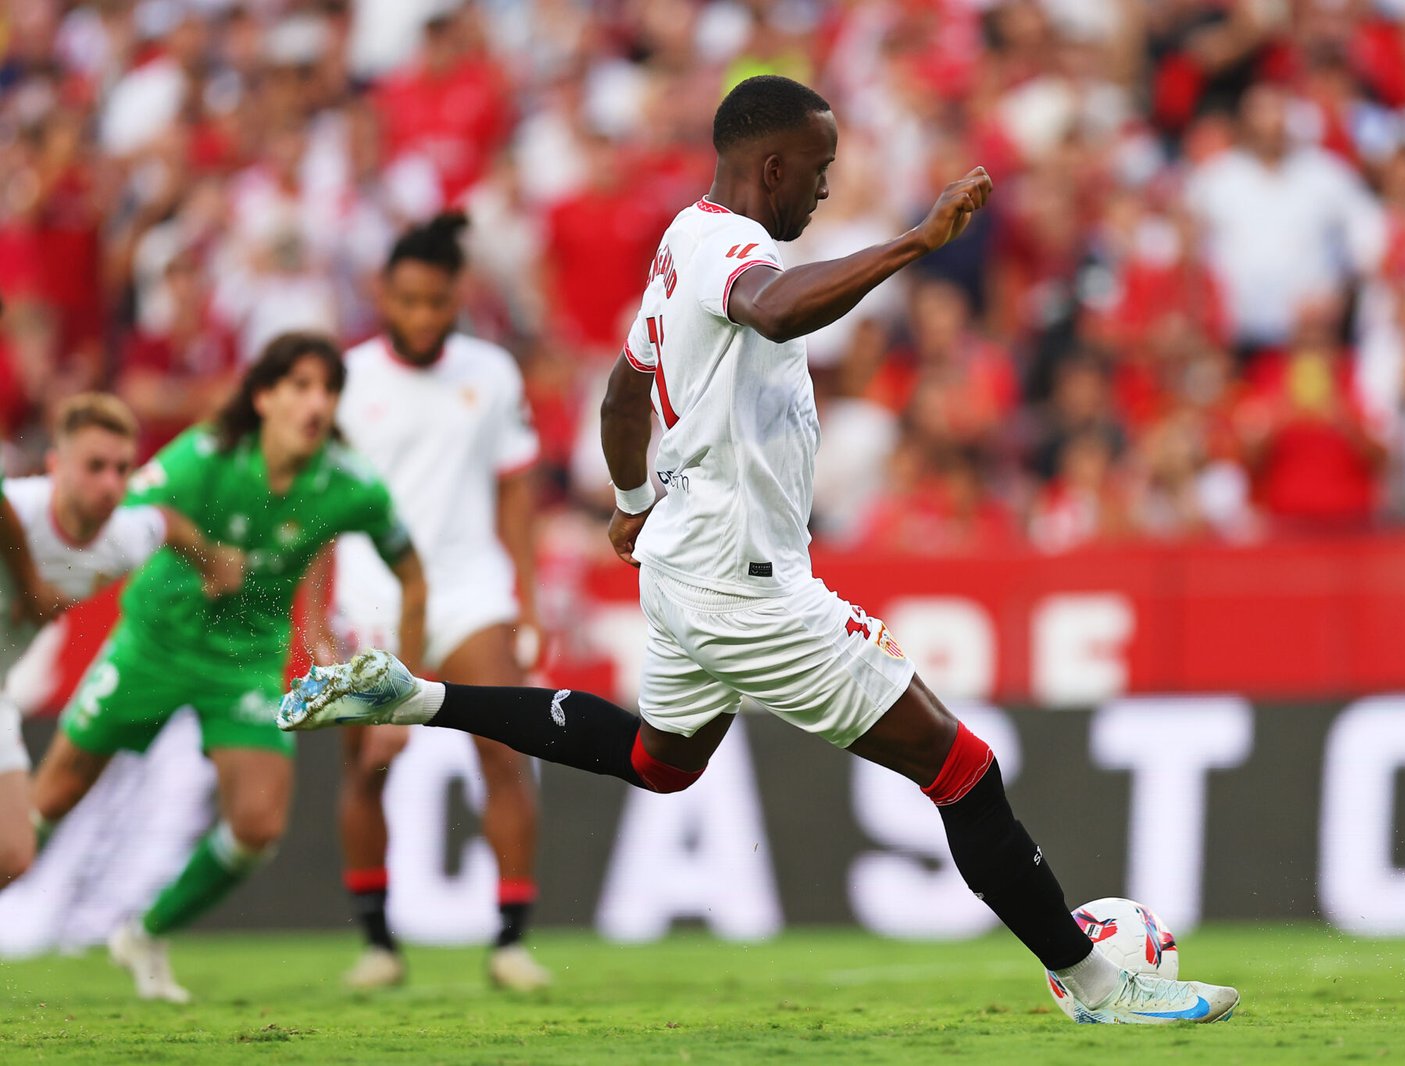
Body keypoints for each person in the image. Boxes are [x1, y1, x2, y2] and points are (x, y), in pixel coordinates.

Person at [281, 76, 1240, 1025]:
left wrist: (627, 503)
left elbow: (623, 393)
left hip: (684, 570)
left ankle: (416, 696)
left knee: (661, 761)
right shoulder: (730, 249)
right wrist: (915, 240)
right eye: (818, 171)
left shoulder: (678, 245)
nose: (824, 190)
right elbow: (774, 310)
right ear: (771, 165)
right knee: (964, 770)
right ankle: (1101, 986)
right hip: (746, 587)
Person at [31, 335, 424, 1003]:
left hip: (245, 658)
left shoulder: (348, 483)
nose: (316, 403)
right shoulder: (208, 453)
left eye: (328, 389)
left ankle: (146, 932)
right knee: (52, 797)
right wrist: (202, 549)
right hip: (156, 639)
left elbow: (413, 577)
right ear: (264, 396)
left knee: (258, 825)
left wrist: (399, 691)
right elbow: (132, 505)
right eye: (299, 386)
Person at [320, 212, 548, 990]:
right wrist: (315, 616)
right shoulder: (344, 381)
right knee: (369, 766)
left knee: (504, 753)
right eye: (409, 300)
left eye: (437, 302)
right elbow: (321, 510)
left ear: (458, 298)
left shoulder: (492, 374)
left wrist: (528, 599)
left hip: (469, 593)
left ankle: (510, 942)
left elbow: (516, 491)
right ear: (384, 293)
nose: (423, 316)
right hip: (371, 599)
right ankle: (379, 946)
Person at [2, 394, 245, 887]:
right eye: (94, 467)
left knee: (12, 854)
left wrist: (212, 561)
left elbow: (167, 523)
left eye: (121, 469)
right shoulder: (23, 508)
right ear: (55, 465)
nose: (111, 484)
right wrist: (28, 583)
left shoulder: (123, 536)